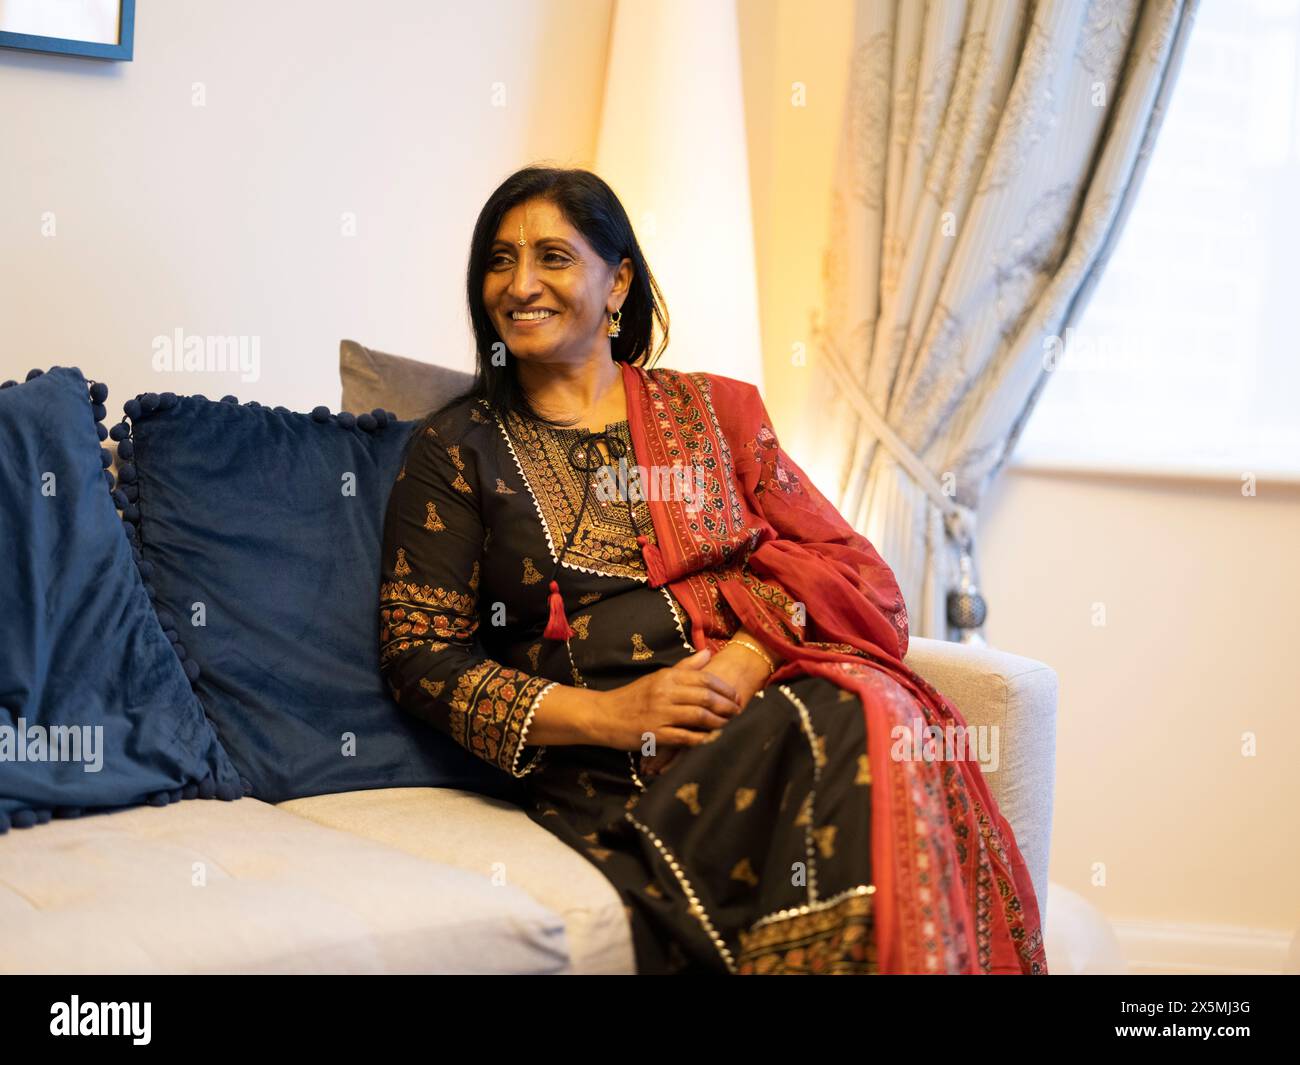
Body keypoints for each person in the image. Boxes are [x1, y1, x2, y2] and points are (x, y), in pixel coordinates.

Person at [378, 165, 1046, 974]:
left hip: (769, 696)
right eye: (499, 260)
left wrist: (749, 653)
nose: (520, 284)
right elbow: (420, 657)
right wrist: (616, 714)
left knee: (866, 711)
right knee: (848, 725)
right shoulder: (456, 451)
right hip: (613, 764)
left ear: (618, 280)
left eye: (553, 256)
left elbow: (855, 570)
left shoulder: (715, 412)